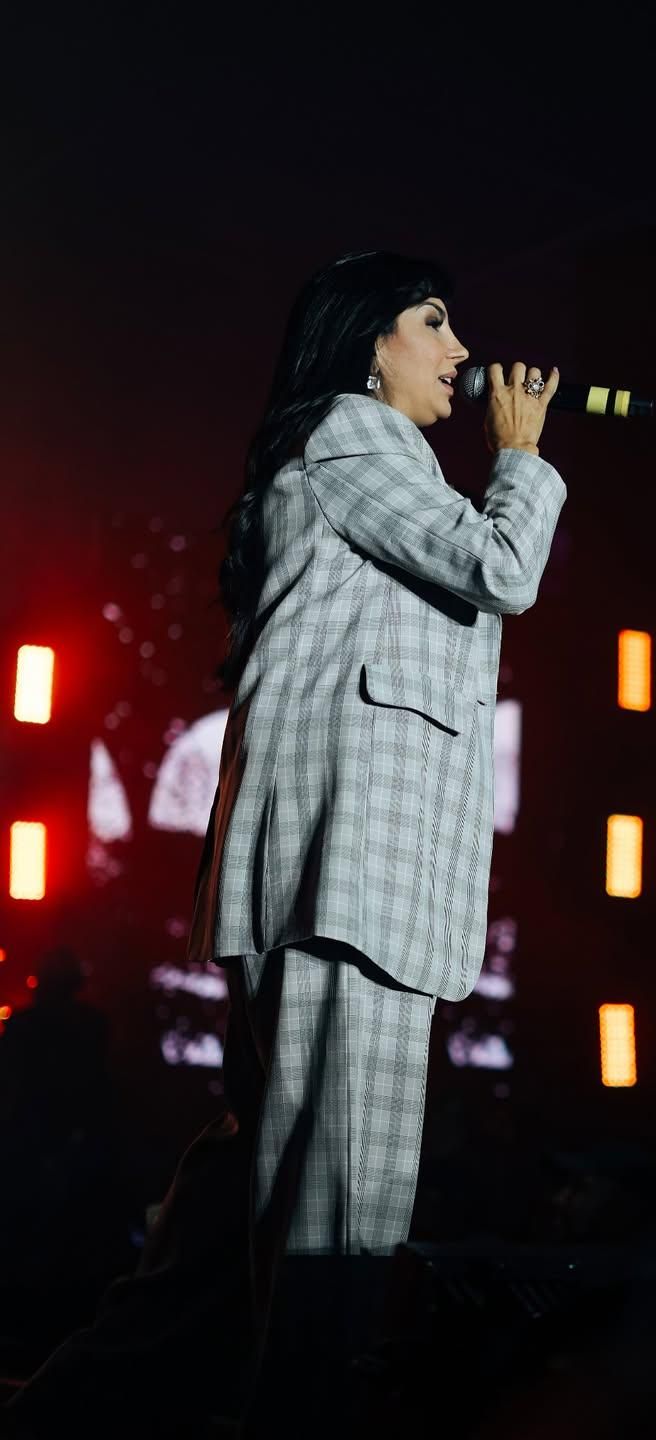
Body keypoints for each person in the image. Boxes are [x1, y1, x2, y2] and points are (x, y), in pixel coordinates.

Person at [5, 250, 566, 1436]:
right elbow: (501, 567)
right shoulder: (358, 435)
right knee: (341, 1238)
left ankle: (52, 1419)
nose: (462, 352)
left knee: (224, 1239)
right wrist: (520, 460)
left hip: (337, 880)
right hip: (349, 883)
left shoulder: (365, 456)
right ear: (368, 342)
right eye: (434, 322)